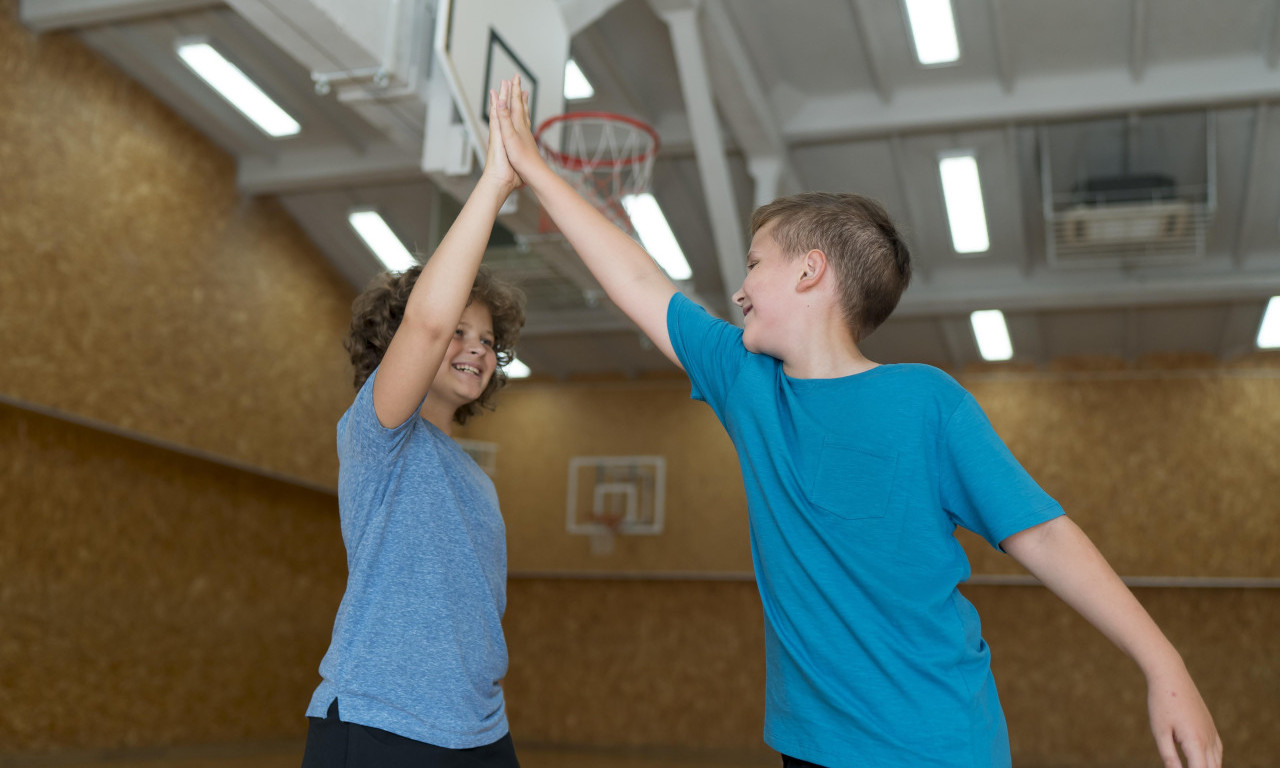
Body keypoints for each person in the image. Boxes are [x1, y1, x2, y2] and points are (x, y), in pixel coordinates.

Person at [490, 77, 1222, 768]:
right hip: (810, 746)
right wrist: (532, 166)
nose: (739, 291)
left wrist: (1166, 663)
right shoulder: (749, 385)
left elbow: (1047, 536)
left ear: (810, 272)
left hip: (937, 744)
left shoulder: (927, 403)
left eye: (754, 266)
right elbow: (641, 280)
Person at [301, 81, 527, 768]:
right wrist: (495, 182)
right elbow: (427, 323)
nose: (475, 349)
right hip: (380, 720)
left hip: (478, 729)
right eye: (457, 333)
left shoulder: (477, 482)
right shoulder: (376, 435)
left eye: (488, 340)